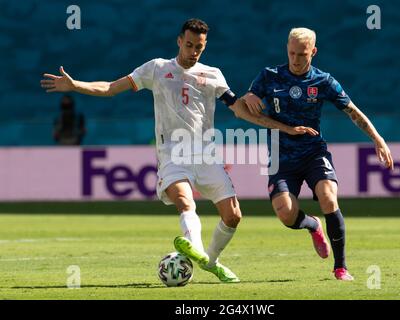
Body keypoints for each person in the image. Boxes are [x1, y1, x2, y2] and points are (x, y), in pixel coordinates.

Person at [40, 19, 317, 283]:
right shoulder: (156, 69)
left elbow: (240, 111)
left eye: (199, 47)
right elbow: (112, 88)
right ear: (179, 41)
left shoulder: (213, 75)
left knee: (233, 215)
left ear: (204, 46)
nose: (194, 51)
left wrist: (283, 127)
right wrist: (76, 85)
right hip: (173, 153)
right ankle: (195, 247)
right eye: (189, 45)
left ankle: (210, 260)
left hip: (206, 155)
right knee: (186, 202)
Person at [243, 27, 394, 281]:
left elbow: (352, 111)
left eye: (302, 54)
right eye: (291, 53)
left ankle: (341, 267)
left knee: (328, 198)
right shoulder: (269, 76)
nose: (295, 59)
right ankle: (313, 225)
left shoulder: (323, 81)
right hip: (281, 157)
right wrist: (248, 96)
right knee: (285, 214)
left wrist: (378, 139)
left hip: (313, 152)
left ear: (313, 52)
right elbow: (248, 104)